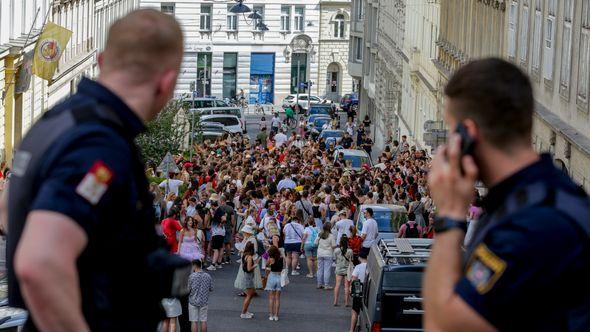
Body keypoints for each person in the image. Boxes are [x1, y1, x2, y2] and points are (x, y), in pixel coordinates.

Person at [6, 9, 186, 331]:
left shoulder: (57, 122)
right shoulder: (99, 144)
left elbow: (7, 209)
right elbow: (39, 263)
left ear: (102, 61)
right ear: (166, 82)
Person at [423, 58, 590, 331]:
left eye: (453, 133)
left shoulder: (529, 226)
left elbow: (440, 325)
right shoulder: (550, 195)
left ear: (468, 135)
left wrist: (449, 216)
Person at [188, 259, 213, 332]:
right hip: (204, 301)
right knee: (203, 320)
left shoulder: (191, 276)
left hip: (193, 300)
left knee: (194, 321)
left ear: (194, 266)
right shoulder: (208, 276)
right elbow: (211, 288)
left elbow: (188, 289)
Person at [240, 242, 260, 319]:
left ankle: (245, 311)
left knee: (250, 295)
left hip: (247, 276)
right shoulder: (249, 257)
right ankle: (243, 313)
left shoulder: (244, 255)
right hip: (249, 277)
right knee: (249, 296)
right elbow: (249, 269)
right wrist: (255, 264)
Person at [349, 251, 368, 332]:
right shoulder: (371, 266)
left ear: (359, 257)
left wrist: (351, 289)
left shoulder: (358, 267)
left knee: (355, 311)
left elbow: (353, 279)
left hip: (358, 289)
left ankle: (351, 330)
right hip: (368, 290)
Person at [264, 245, 284, 321]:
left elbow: (266, 265)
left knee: (271, 297)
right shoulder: (281, 258)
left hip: (272, 276)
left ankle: (271, 315)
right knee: (277, 298)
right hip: (279, 277)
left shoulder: (271, 259)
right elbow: (284, 267)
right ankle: (276, 315)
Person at [315, 222, 337, 289]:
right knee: (327, 270)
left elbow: (315, 243)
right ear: (330, 228)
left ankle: (319, 284)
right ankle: (326, 285)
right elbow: (333, 246)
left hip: (320, 253)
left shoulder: (320, 234)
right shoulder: (331, 236)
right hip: (328, 254)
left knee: (319, 269)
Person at [333, 235, 353, 307]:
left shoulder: (337, 250)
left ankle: (335, 301)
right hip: (347, 270)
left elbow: (334, 259)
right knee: (347, 286)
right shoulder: (350, 251)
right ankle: (346, 302)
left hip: (339, 268)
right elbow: (351, 259)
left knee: (337, 284)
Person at [207, 201, 226, 270]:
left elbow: (224, 218)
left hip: (217, 232)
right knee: (220, 247)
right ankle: (219, 263)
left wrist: (220, 224)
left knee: (215, 249)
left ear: (212, 206)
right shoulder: (220, 210)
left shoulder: (219, 210)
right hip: (221, 232)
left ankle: (213, 265)